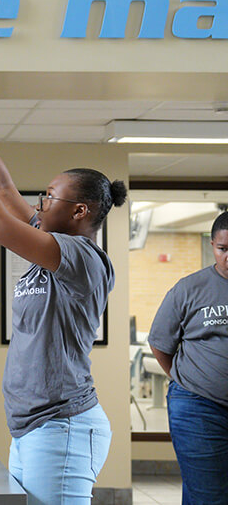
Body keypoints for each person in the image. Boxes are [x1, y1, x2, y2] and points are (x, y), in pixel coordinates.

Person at [0, 78, 125, 505]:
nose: (38, 204)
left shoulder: (80, 257)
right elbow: (1, 191)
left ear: (79, 211)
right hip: (34, 428)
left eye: (48, 198)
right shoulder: (54, 243)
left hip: (64, 427)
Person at [148, 212, 228, 505]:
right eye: (223, 249)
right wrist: (187, 379)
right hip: (198, 404)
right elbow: (160, 344)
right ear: (212, 246)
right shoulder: (189, 288)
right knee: (208, 494)